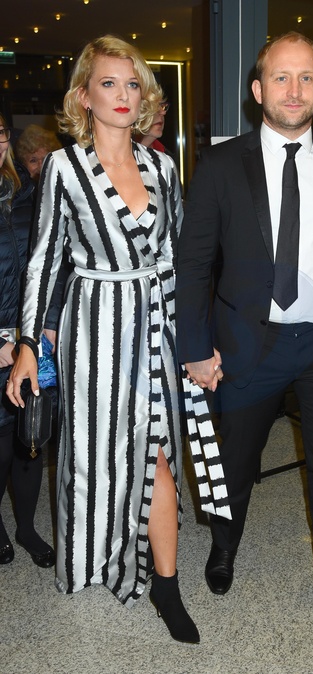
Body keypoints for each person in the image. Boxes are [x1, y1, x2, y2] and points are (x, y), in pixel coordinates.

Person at [6, 35, 222, 644]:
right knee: (97, 456)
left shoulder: (163, 167)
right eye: (108, 83)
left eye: (132, 84)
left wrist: (196, 341)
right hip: (94, 330)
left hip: (157, 326)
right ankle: (97, 557)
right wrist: (28, 345)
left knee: (157, 456)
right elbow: (43, 261)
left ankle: (166, 585)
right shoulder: (64, 168)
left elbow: (182, 261)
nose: (123, 95)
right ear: (84, 95)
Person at [176, 32, 313, 637]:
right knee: (235, 461)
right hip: (246, 344)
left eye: (307, 78)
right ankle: (225, 545)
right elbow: (193, 265)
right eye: (281, 78)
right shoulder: (220, 165)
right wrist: (195, 348)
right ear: (258, 89)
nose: (294, 90)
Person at [0, 115, 56, 569]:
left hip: (28, 339)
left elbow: (48, 262)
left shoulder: (26, 192)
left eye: (0, 133)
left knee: (29, 434)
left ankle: (25, 526)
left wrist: (43, 327)